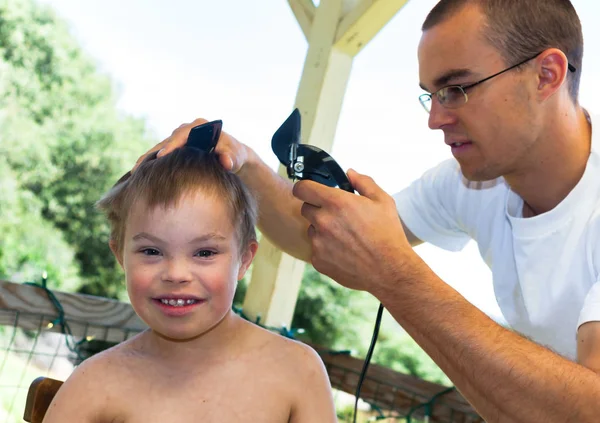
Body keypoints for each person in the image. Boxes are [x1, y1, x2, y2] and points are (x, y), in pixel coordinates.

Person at [136, 0, 600, 421]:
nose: (435, 119)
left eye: (457, 89)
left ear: (546, 74)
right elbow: (321, 237)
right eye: (431, 95)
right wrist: (242, 162)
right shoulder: (466, 182)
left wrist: (396, 276)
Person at [42, 148, 337, 422]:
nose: (176, 274)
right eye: (151, 252)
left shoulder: (298, 371)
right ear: (120, 255)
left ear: (244, 260)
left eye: (205, 253)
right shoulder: (94, 383)